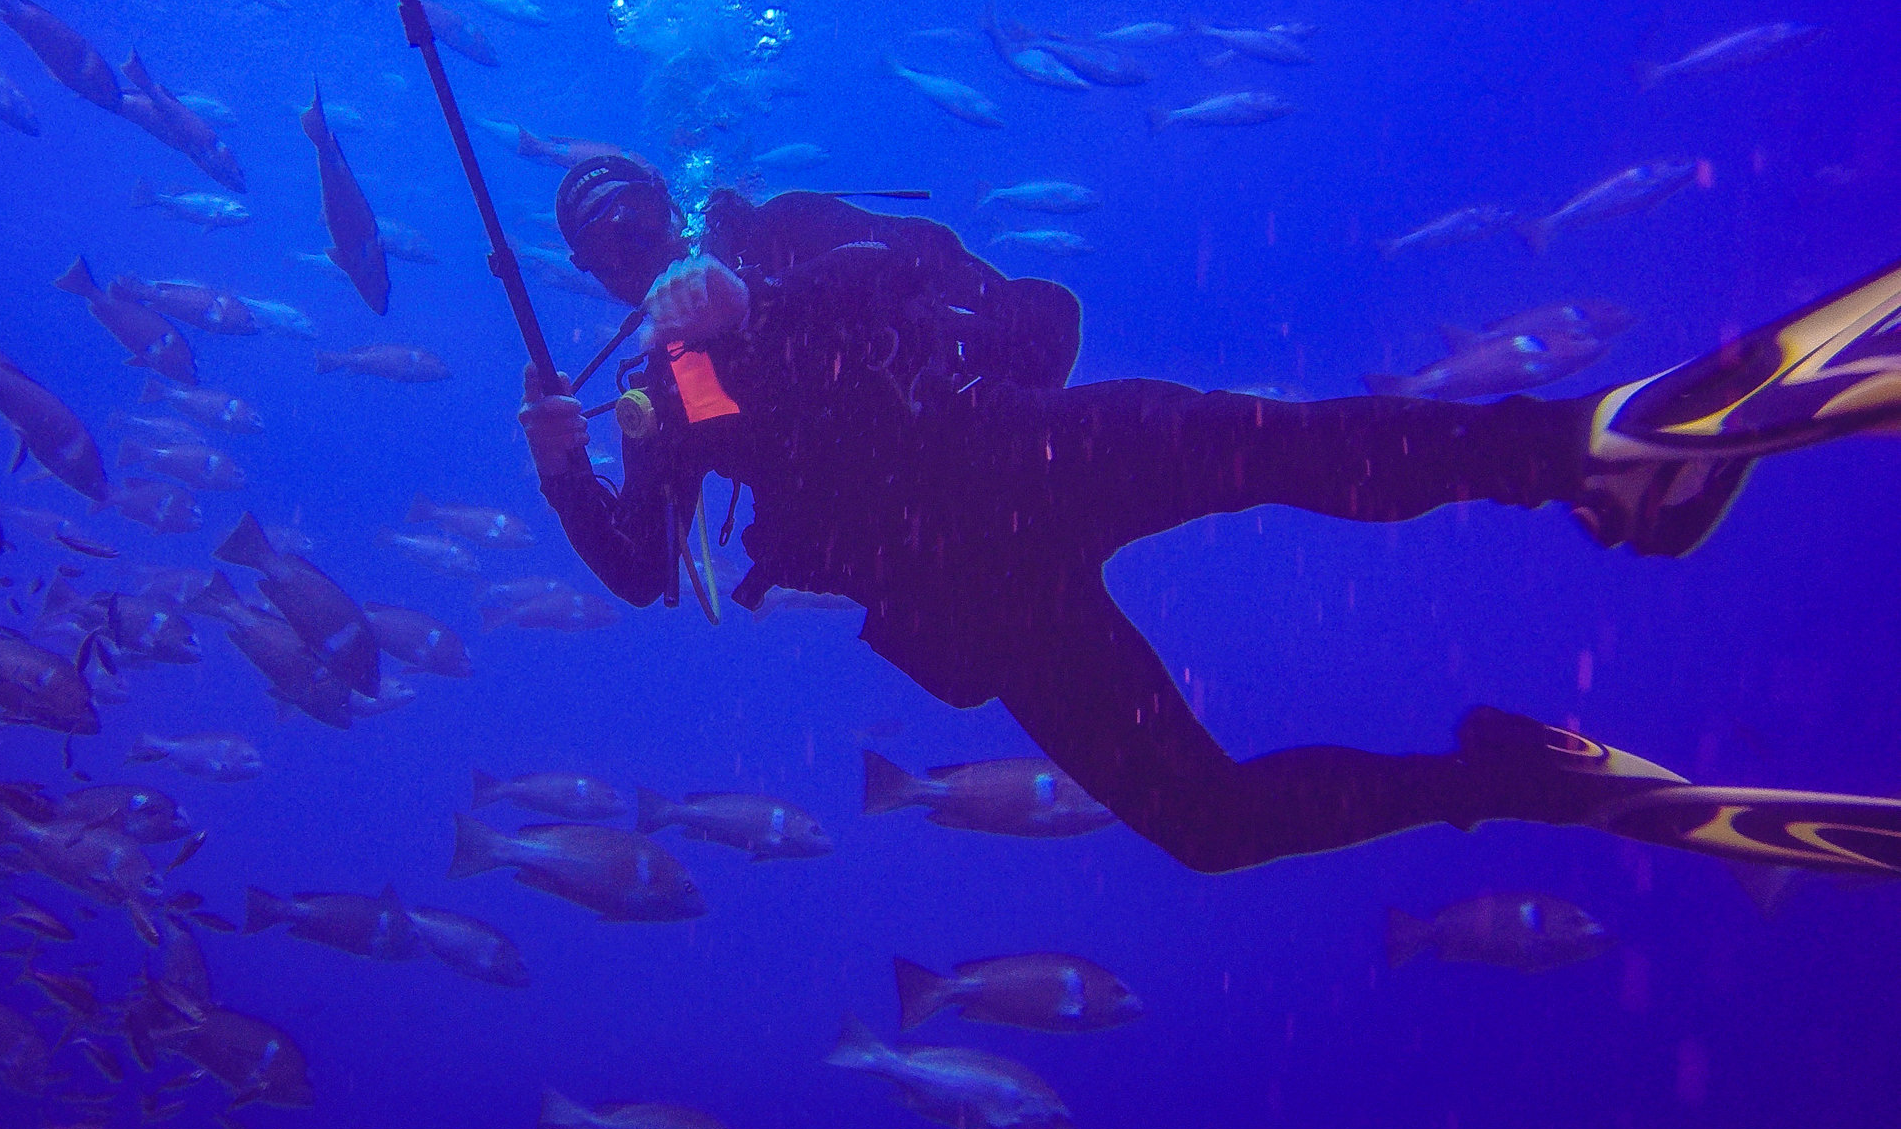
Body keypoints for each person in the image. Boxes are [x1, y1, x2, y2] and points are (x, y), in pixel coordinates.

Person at [518, 155, 1901, 874]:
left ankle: (1592, 453)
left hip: (1020, 451)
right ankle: (1516, 778)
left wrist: (755, 302)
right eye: (605, 249)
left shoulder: (784, 230)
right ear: (591, 277)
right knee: (1207, 826)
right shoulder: (657, 384)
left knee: (1281, 449)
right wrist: (565, 463)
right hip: (976, 601)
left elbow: (926, 274)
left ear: (675, 198)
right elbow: (645, 569)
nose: (633, 254)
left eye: (638, 219)